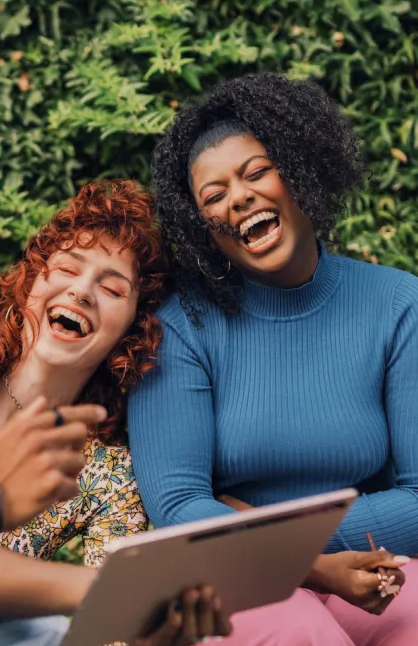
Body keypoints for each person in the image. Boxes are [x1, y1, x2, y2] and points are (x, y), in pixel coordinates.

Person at [0, 12, 230, 646]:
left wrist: (141, 619)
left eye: (111, 288)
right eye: (69, 267)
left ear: (133, 330)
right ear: (30, 280)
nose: (80, 289)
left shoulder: (103, 471)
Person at [128, 73, 418, 645]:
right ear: (203, 229)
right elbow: (179, 507)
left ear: (302, 171)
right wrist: (301, 564)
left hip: (372, 566)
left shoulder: (398, 304)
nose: (238, 197)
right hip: (232, 580)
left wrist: (267, 529)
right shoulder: (179, 327)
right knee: (302, 633)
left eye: (257, 172)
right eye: (213, 197)